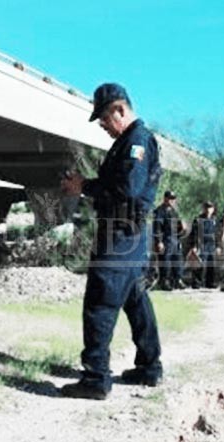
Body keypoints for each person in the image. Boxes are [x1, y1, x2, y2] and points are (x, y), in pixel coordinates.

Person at [59, 83, 163, 399]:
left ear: (119, 109)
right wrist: (86, 185)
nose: (102, 125)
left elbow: (126, 192)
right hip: (131, 236)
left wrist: (84, 188)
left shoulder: (136, 141)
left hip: (120, 236)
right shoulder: (129, 141)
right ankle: (148, 367)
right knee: (136, 300)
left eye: (104, 118)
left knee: (100, 303)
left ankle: (95, 379)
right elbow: (118, 185)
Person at [153, 190, 186, 290]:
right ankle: (164, 281)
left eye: (173, 199)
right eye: (170, 198)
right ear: (165, 198)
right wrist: (159, 241)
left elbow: (178, 226)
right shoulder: (159, 211)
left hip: (175, 239)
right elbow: (157, 227)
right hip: (165, 239)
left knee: (178, 260)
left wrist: (183, 228)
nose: (172, 201)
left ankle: (178, 280)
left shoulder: (174, 211)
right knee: (165, 261)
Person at [188, 201, 218, 289]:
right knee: (199, 264)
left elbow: (217, 234)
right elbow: (193, 234)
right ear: (204, 209)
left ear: (213, 209)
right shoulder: (198, 220)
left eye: (210, 208)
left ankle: (210, 283)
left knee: (211, 264)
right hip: (201, 244)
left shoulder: (214, 220)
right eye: (207, 208)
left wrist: (218, 245)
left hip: (211, 244)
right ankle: (196, 283)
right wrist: (194, 246)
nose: (209, 210)